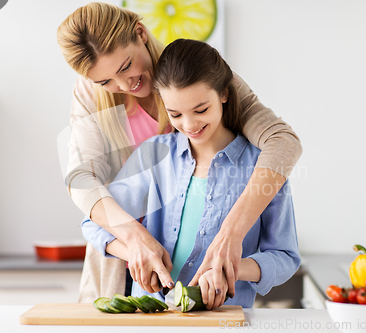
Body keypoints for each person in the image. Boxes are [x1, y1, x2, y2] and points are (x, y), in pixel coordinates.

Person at [57, 2, 302, 303]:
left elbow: (283, 142)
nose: (124, 85)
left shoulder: (197, 72)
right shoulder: (96, 99)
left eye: (125, 67)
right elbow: (82, 183)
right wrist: (134, 240)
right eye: (105, 81)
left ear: (141, 33)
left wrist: (231, 238)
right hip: (122, 258)